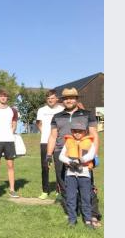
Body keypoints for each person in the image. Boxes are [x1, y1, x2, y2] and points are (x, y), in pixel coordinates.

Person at [46, 88, 101, 226]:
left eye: (71, 98)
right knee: (64, 184)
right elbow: (53, 136)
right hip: (61, 152)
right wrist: (48, 154)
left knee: (88, 185)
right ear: (62, 100)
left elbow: (94, 135)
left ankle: (92, 215)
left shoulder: (87, 114)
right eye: (66, 98)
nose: (69, 100)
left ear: (76, 99)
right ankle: (72, 214)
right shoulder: (57, 116)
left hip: (83, 153)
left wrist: (94, 155)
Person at [57, 119, 98, 228]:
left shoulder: (89, 142)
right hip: (70, 174)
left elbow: (92, 155)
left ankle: (88, 220)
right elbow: (61, 156)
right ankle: (72, 219)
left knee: (85, 197)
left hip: (84, 174)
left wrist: (80, 160)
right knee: (71, 197)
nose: (77, 133)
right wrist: (69, 161)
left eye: (80, 131)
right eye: (74, 131)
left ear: (85, 131)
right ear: (71, 131)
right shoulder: (68, 142)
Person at [0, 89, 20, 198]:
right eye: (1, 96)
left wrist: (11, 132)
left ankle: (12, 189)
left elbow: (14, 123)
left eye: (5, 96)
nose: (3, 98)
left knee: (10, 165)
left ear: (7, 98)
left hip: (9, 141)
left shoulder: (13, 110)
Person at [35, 90, 64, 199]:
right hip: (45, 142)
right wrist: (44, 132)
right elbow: (38, 123)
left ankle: (59, 190)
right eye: (48, 98)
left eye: (52, 98)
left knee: (59, 167)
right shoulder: (41, 110)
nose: (50, 100)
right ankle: (45, 191)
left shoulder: (62, 109)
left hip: (59, 142)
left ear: (56, 99)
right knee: (45, 166)